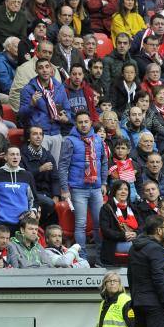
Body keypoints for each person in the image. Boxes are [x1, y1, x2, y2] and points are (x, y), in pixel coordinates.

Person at [59, 111, 108, 260]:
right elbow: (63, 166)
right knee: (81, 224)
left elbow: (104, 161)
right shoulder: (69, 140)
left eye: (86, 121)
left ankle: (100, 257)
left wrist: (104, 182)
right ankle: (82, 257)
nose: (83, 125)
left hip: (96, 188)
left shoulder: (98, 139)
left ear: (91, 122)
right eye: (80, 122)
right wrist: (65, 189)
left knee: (99, 223)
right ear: (76, 124)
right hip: (78, 188)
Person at [0, 148, 37, 231]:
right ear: (5, 157)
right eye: (12, 154)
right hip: (0, 223)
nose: (15, 157)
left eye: (17, 154)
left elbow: (34, 199)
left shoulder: (27, 176)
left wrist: (33, 211)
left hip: (22, 224)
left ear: (20, 158)